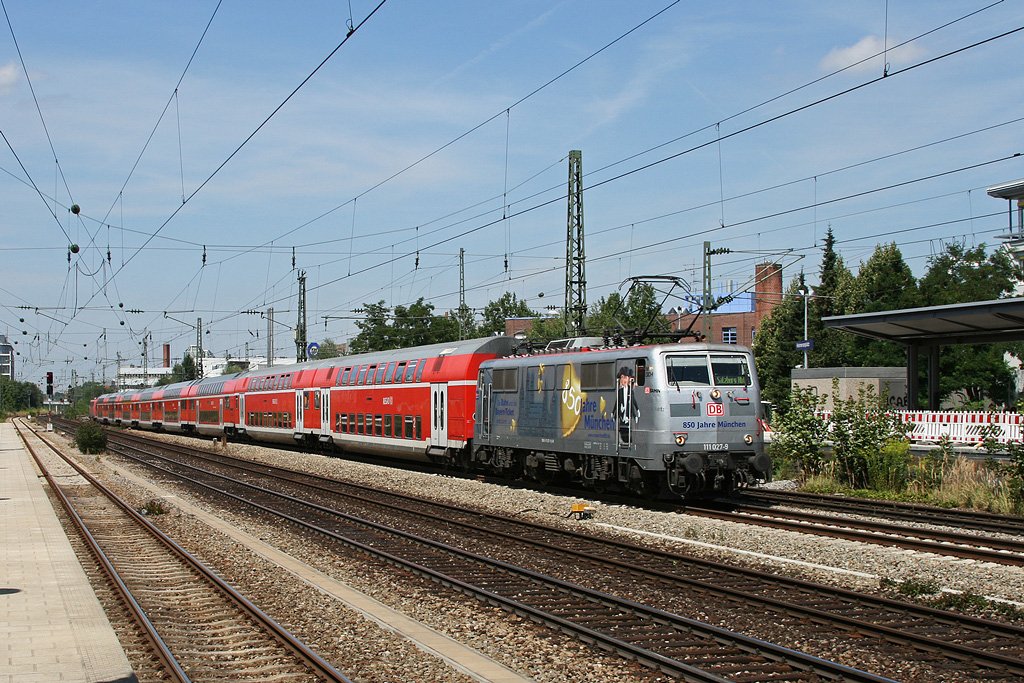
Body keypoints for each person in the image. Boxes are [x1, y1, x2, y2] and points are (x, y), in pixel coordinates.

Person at [616, 365, 639, 445]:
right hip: (622, 414)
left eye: (626, 377)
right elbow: (617, 403)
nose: (624, 380)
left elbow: (633, 403)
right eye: (623, 377)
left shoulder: (630, 391)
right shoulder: (620, 391)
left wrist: (636, 413)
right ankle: (622, 439)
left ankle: (626, 439)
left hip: (627, 415)